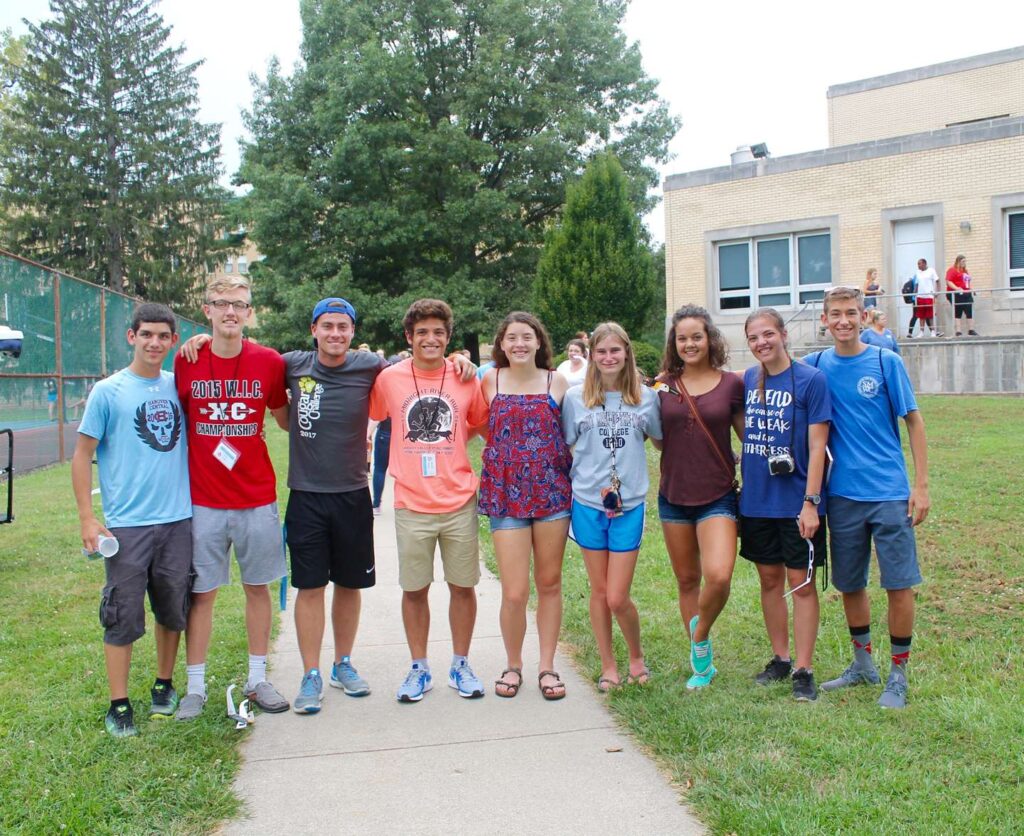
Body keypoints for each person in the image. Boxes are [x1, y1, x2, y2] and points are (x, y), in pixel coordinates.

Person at [71, 303, 192, 737]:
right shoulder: (109, 392)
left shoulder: (179, 388)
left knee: (173, 608)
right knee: (122, 614)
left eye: (163, 336)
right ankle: (119, 704)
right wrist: (89, 519)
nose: (155, 343)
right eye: (147, 335)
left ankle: (164, 684)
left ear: (173, 340)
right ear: (131, 337)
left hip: (179, 519)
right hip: (127, 525)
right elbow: (83, 454)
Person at [173, 277, 290, 720]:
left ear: (249, 313)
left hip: (256, 497)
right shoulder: (186, 359)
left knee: (256, 587)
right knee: (201, 593)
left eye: (239, 305)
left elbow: (282, 419)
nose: (230, 312)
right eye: (221, 304)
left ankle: (257, 678)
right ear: (206, 310)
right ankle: (195, 688)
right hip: (202, 500)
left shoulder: (268, 362)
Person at [808, 286, 930, 709]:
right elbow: (774, 369)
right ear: (824, 319)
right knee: (850, 583)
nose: (843, 320)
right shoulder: (817, 367)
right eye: (835, 314)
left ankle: (898, 673)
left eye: (851, 313)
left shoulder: (885, 361)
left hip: (889, 494)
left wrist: (922, 485)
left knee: (899, 583)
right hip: (841, 495)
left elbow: (913, 422)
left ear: (863, 316)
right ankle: (863, 665)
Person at [369, 299, 490, 702]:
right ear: (409, 337)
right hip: (411, 503)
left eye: (439, 332)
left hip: (457, 500)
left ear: (448, 337)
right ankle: (419, 667)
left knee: (462, 586)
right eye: (422, 332)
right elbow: (367, 411)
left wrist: (450, 444)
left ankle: (460, 663)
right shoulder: (389, 378)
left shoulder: (465, 378)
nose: (431, 339)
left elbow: (477, 425)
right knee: (415, 589)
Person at [561, 322, 661, 691]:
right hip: (588, 502)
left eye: (615, 351)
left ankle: (636, 655)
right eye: (601, 351)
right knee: (600, 591)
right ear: (592, 356)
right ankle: (609, 665)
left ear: (627, 353)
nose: (608, 357)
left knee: (619, 595)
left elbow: (662, 442)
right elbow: (567, 444)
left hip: (629, 504)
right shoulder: (575, 399)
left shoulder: (646, 398)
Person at [479, 312, 572, 700]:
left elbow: (569, 433)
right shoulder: (490, 380)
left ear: (539, 342)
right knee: (515, 591)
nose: (519, 344)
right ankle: (513, 664)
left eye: (527, 337)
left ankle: (547, 667)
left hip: (551, 494)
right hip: (506, 495)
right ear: (501, 344)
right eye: (512, 337)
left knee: (549, 584)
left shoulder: (558, 381)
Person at [739, 309, 831, 702]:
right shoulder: (748, 378)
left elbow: (817, 446)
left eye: (768, 335)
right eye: (754, 338)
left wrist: (811, 503)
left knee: (802, 584)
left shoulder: (812, 380)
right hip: (757, 501)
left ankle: (804, 669)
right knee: (769, 581)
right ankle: (780, 658)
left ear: (783, 334)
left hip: (797, 503)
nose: (762, 343)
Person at [652, 305, 744, 690]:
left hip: (717, 494)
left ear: (710, 340)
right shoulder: (662, 385)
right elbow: (657, 440)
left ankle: (700, 635)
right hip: (673, 495)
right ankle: (701, 666)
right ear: (674, 343)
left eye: (696, 336)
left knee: (719, 576)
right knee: (687, 580)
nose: (689, 343)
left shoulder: (731, 384)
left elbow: (749, 438)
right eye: (682, 337)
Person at [908, 258, 943, 338]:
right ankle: (921, 332)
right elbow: (917, 283)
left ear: (924, 263)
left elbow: (937, 281)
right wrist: (914, 294)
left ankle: (933, 331)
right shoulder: (918, 272)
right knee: (921, 315)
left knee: (930, 315)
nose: (918, 266)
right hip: (920, 296)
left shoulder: (931, 270)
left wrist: (937, 291)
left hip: (929, 296)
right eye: (918, 264)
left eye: (919, 264)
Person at [946, 255, 978, 337]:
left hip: (966, 293)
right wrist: (957, 288)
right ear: (958, 261)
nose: (964, 263)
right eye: (963, 261)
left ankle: (971, 330)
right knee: (958, 311)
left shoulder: (965, 271)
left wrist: (972, 289)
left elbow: (967, 283)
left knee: (969, 310)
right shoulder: (952, 270)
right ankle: (958, 331)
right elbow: (948, 281)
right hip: (957, 294)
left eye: (965, 261)